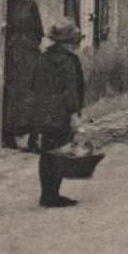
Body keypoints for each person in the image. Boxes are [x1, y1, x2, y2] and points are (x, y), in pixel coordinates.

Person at [33, 19, 87, 208]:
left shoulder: (44, 57)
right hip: (62, 113)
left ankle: (47, 194)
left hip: (45, 113)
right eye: (74, 41)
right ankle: (52, 196)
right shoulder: (69, 61)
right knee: (60, 152)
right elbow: (71, 90)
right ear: (69, 41)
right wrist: (74, 114)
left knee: (47, 153)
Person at [1, 0, 44, 151]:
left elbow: (38, 31)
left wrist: (29, 46)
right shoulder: (6, 7)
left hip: (29, 56)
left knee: (30, 95)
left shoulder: (29, 5)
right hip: (12, 57)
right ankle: (10, 136)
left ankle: (32, 137)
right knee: (12, 96)